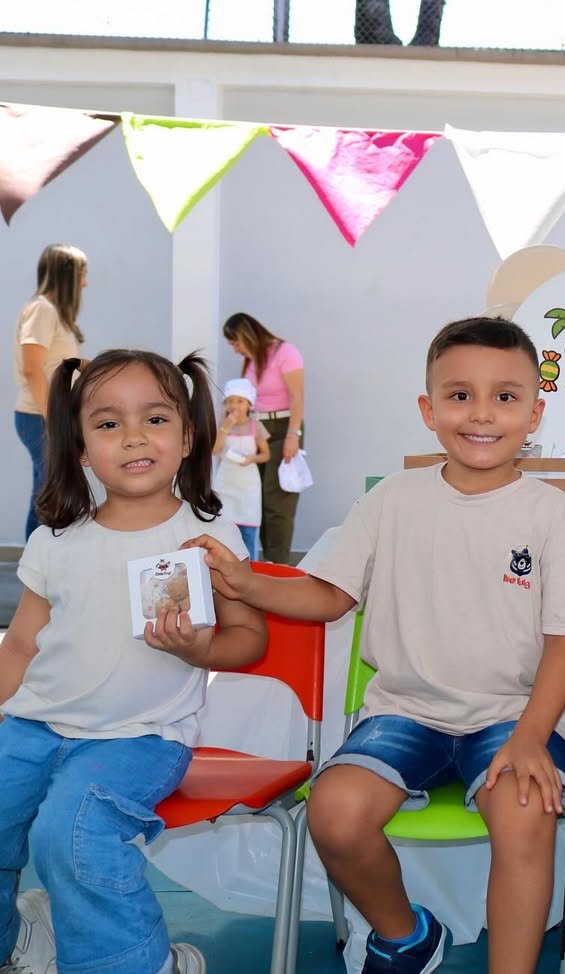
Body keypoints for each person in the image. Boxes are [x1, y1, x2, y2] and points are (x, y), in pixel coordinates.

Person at [186, 316, 565, 974]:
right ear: (428, 410)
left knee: (525, 811)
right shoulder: (392, 500)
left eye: (505, 396)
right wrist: (244, 581)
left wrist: (531, 737)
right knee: (334, 814)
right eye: (460, 395)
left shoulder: (554, 516)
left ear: (534, 414)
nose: (482, 413)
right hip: (405, 714)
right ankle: (406, 936)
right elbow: (328, 596)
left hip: (513, 717)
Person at [0, 349, 267, 974]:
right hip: (34, 725)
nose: (134, 437)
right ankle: (18, 943)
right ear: (80, 447)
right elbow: (20, 645)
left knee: (71, 834)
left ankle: (140, 964)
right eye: (108, 423)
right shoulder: (54, 540)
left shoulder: (207, 537)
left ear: (187, 437)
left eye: (155, 418)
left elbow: (248, 637)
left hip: (141, 737)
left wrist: (201, 650)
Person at [12, 243, 88, 540]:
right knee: (53, 494)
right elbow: (32, 369)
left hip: (46, 415)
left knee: (45, 492)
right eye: (82, 274)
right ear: (67, 275)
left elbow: (54, 364)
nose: (85, 283)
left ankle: (37, 561)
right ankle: (39, 562)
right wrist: (52, 419)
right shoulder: (42, 310)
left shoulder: (53, 313)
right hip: (39, 416)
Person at [222, 312, 304, 564]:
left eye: (236, 343)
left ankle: (278, 564)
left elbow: (297, 396)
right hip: (255, 427)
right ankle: (262, 562)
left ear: (247, 335)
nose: (235, 349)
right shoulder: (250, 361)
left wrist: (293, 435)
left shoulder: (286, 352)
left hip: (283, 427)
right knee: (257, 497)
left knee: (277, 500)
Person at [213, 377, 270, 561]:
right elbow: (215, 450)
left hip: (248, 486)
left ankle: (250, 566)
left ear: (249, 404)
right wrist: (226, 427)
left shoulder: (256, 426)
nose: (234, 405)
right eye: (230, 401)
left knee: (248, 529)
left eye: (240, 401)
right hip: (226, 483)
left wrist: (252, 458)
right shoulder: (222, 425)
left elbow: (266, 455)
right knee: (224, 527)